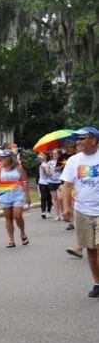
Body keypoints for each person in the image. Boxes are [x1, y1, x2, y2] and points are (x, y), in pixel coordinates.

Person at [59, 126, 99, 298]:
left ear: (94, 140)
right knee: (90, 248)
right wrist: (66, 207)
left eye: (82, 138)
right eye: (78, 138)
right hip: (82, 210)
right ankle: (97, 282)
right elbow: (67, 185)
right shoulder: (74, 160)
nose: (78, 141)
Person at [0, 149, 30, 248]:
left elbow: (24, 181)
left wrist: (27, 195)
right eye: (1, 157)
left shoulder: (19, 168)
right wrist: (1, 188)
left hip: (18, 193)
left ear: (10, 158)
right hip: (5, 194)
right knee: (8, 217)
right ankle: (11, 239)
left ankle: (22, 233)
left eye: (4, 157)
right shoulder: (0, 169)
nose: (2, 159)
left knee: (17, 215)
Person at [37, 152, 52, 219]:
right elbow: (38, 157)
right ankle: (43, 211)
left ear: (47, 156)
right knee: (43, 197)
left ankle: (48, 211)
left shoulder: (50, 163)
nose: (42, 156)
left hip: (49, 182)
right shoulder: (40, 163)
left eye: (44, 155)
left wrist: (46, 169)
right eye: (42, 155)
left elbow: (48, 173)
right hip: (42, 182)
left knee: (49, 197)